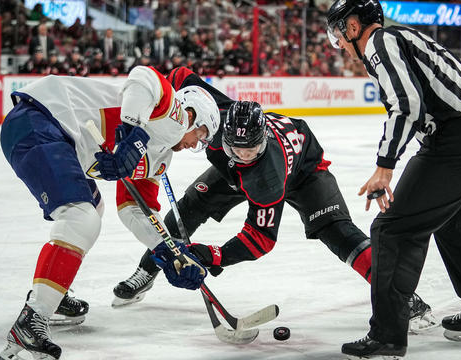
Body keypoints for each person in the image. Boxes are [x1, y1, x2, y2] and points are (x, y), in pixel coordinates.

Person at [111, 67, 436, 334]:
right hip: (238, 173)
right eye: (236, 149)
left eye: (250, 150)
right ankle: (147, 269)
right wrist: (161, 111)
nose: (244, 155)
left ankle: (400, 296)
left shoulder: (264, 174)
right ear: (222, 133)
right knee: (189, 205)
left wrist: (216, 255)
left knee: (337, 231)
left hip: (305, 174)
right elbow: (180, 75)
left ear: (262, 141)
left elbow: (261, 239)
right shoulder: (215, 114)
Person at [326, 0, 461, 358]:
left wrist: (385, 165)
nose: (338, 43)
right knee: (455, 225)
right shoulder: (401, 39)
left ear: (352, 27)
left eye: (338, 33)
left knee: (392, 229)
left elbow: (406, 104)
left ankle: (387, 336)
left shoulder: (379, 43)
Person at [0, 65, 220, 360]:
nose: (197, 143)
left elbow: (133, 210)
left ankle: (53, 293)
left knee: (93, 210)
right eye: (202, 133)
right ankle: (33, 318)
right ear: (192, 114)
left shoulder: (160, 158)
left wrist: (168, 252)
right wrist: (132, 133)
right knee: (81, 217)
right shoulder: (175, 115)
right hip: (41, 119)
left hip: (58, 139)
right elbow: (144, 76)